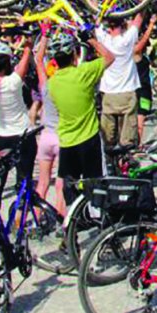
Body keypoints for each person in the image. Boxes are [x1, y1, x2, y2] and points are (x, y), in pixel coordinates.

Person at [46, 31, 113, 200]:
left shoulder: (52, 82)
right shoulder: (83, 72)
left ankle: (76, 215)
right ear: (75, 54)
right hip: (89, 138)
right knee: (95, 186)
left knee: (71, 189)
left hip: (67, 141)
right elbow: (109, 57)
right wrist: (90, 39)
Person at [0, 38, 35, 184]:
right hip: (22, 134)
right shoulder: (13, 81)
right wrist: (27, 45)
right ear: (7, 63)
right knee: (24, 179)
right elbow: (26, 55)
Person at [96, 13, 144, 149]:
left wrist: (97, 3)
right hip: (127, 92)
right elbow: (138, 19)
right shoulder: (127, 40)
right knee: (127, 139)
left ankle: (110, 158)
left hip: (108, 94)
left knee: (107, 137)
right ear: (122, 25)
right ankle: (126, 157)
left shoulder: (103, 39)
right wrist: (144, 4)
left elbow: (96, 17)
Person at [33, 34, 64, 215]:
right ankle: (61, 220)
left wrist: (45, 34)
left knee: (42, 182)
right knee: (60, 185)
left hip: (46, 137)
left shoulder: (45, 85)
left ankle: (37, 218)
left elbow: (38, 60)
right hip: (61, 137)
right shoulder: (69, 87)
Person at [132, 14, 156, 144]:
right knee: (140, 119)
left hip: (145, 89)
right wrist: (151, 24)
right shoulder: (135, 53)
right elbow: (145, 38)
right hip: (141, 90)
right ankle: (138, 144)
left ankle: (137, 143)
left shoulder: (140, 54)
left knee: (142, 117)